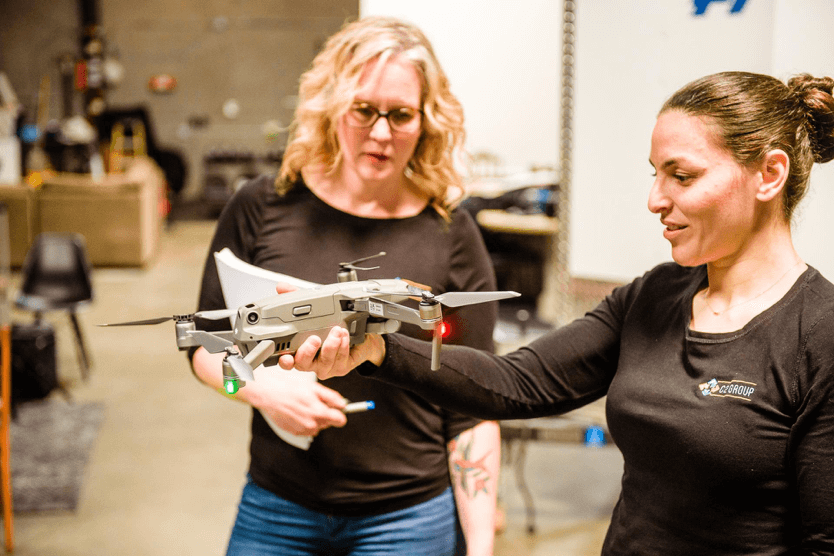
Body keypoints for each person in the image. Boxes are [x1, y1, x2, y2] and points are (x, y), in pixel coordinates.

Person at [284, 71, 834, 555]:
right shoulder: (655, 296)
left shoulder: (820, 334)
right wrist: (376, 347)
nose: (655, 199)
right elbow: (517, 383)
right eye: (655, 174)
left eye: (682, 176)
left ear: (769, 174)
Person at [189, 16, 501, 556]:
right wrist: (257, 389)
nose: (381, 133)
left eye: (401, 114)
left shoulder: (451, 233)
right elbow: (204, 347)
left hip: (408, 519)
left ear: (425, 121)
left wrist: (478, 547)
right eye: (364, 109)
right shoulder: (262, 206)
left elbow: (472, 405)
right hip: (276, 505)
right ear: (333, 105)